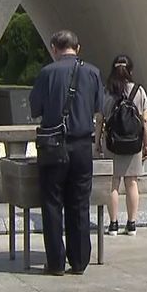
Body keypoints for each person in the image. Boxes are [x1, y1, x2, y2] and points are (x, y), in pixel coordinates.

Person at [28, 30, 104, 276]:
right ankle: (80, 261)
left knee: (52, 203)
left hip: (53, 146)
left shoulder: (47, 73)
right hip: (82, 145)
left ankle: (56, 263)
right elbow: (97, 107)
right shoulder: (92, 72)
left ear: (53, 48)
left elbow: (35, 109)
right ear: (77, 48)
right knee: (80, 203)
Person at [97, 54, 147, 237]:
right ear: (131, 71)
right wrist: (146, 144)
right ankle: (132, 224)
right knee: (131, 183)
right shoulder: (139, 91)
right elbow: (144, 120)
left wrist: (97, 142)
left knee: (113, 183)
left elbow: (100, 120)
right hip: (133, 143)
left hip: (112, 143)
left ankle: (113, 225)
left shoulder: (108, 91)